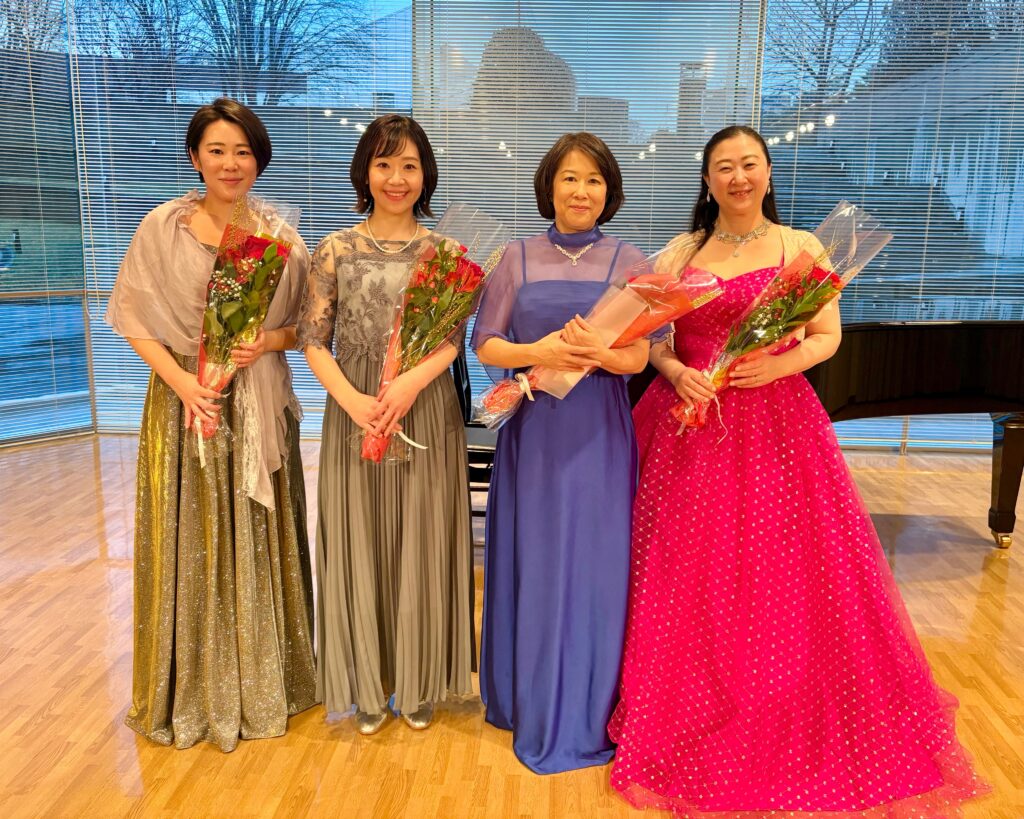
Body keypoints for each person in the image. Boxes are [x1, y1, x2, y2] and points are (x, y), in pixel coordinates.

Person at [609, 124, 987, 814]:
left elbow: (826, 336)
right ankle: (693, 699)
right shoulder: (681, 251)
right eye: (724, 167)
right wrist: (675, 369)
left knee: (778, 566)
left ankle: (778, 695)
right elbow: (653, 338)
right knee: (690, 566)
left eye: (749, 164)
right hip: (690, 423)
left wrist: (777, 365)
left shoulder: (801, 248)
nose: (738, 177)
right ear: (707, 180)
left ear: (768, 172)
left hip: (775, 424)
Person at [107, 97, 316, 752]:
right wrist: (186, 386)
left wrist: (265, 340)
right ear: (195, 157)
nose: (231, 163)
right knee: (191, 539)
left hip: (257, 402)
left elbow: (308, 328)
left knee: (255, 532)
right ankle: (192, 690)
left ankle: (266, 681)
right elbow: (134, 317)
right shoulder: (163, 226)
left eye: (243, 151)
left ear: (259, 160)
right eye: (218, 150)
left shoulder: (280, 237)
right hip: (183, 402)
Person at [473, 132, 649, 773]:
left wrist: (604, 354)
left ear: (610, 191)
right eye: (570, 178)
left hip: (600, 431)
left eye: (594, 180)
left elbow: (640, 356)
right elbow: (486, 344)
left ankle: (590, 709)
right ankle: (530, 699)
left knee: (599, 568)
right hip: (536, 431)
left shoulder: (631, 260)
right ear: (548, 185)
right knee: (540, 561)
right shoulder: (514, 258)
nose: (581, 191)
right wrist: (538, 353)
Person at [297, 114, 473, 735]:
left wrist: (407, 385)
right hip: (354, 410)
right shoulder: (335, 249)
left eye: (409, 166)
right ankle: (368, 685)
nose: (396, 178)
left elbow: (452, 342)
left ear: (425, 175)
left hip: (423, 406)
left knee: (422, 535)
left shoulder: (446, 254)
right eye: (383, 164)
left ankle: (420, 682)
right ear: (364, 173)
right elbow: (312, 340)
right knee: (361, 537)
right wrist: (352, 400)